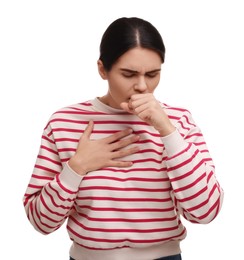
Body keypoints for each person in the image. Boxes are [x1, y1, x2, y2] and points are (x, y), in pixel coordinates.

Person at [23, 17, 224, 260]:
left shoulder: (178, 120)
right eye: (128, 74)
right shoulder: (64, 122)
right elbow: (41, 222)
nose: (142, 86)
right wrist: (77, 167)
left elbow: (206, 211)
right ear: (102, 69)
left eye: (152, 74)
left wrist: (167, 131)